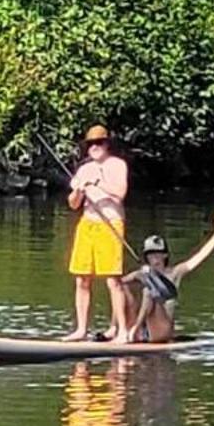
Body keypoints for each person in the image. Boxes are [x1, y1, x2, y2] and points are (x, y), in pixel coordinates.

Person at [65, 126, 130, 343]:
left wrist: (97, 183)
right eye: (90, 144)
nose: (94, 147)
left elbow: (120, 193)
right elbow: (73, 204)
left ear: (107, 144)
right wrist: (78, 190)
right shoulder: (84, 169)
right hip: (87, 224)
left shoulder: (117, 165)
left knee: (113, 280)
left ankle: (122, 332)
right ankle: (81, 329)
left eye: (99, 143)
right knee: (81, 278)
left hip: (110, 223)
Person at [121, 213, 214, 343]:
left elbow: (200, 256)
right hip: (147, 330)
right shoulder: (142, 273)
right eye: (151, 254)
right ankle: (117, 330)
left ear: (165, 255)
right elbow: (118, 283)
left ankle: (135, 329)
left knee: (148, 291)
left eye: (158, 254)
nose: (154, 257)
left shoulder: (175, 272)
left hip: (163, 329)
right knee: (120, 289)